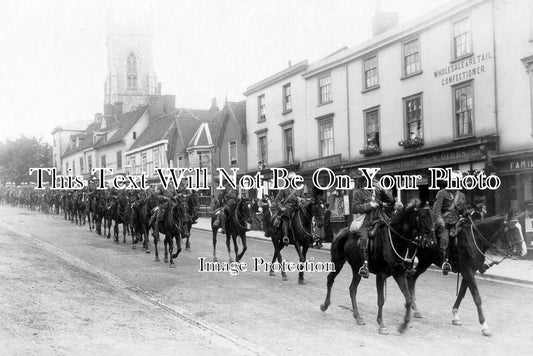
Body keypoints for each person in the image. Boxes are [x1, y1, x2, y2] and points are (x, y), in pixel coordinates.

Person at [351, 177, 400, 278]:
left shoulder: (378, 191)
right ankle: (365, 265)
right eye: (371, 181)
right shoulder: (358, 193)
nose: (373, 182)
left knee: (395, 233)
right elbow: (354, 208)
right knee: (364, 238)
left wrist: (381, 188)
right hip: (366, 221)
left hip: (381, 219)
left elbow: (390, 200)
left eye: (374, 181)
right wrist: (369, 205)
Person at [432, 171, 467, 275]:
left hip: (457, 224)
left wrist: (465, 215)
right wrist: (440, 222)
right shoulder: (442, 193)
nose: (456, 183)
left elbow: (463, 210)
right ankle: (445, 263)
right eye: (453, 181)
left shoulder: (462, 195)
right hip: (445, 223)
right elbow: (436, 210)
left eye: (457, 181)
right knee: (445, 240)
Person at [272, 172, 304, 245]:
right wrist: (281, 207)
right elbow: (277, 200)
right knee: (286, 215)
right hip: (287, 207)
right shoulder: (284, 189)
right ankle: (286, 236)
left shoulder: (299, 189)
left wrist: (302, 200)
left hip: (297, 207)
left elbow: (303, 198)